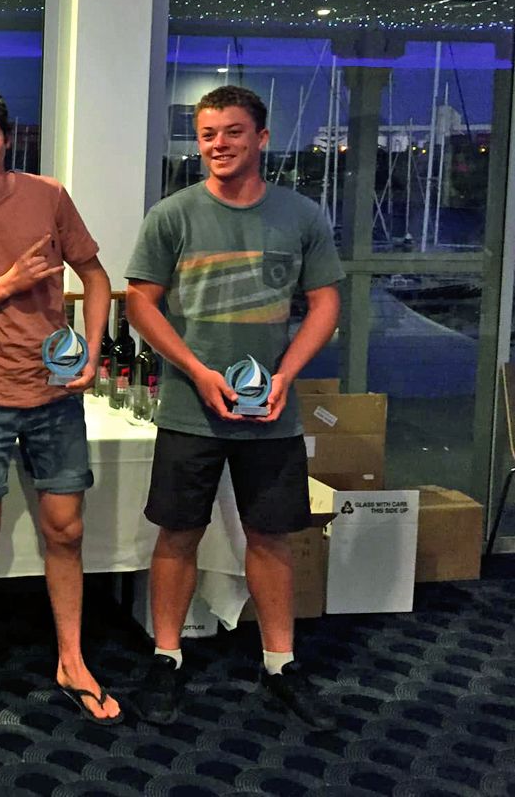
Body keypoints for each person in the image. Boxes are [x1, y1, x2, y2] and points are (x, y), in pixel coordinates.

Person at [124, 85, 342, 728]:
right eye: (209, 134)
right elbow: (141, 301)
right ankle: (166, 657)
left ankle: (281, 663)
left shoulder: (301, 216)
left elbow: (325, 303)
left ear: (262, 139)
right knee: (178, 532)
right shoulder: (174, 215)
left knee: (271, 537)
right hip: (191, 409)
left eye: (233, 132)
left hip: (273, 412)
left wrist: (285, 376)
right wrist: (194, 370)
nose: (219, 145)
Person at [0, 82, 122, 726]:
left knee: (66, 531)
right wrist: (8, 284)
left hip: (53, 397)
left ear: (4, 137)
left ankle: (72, 658)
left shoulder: (48, 196)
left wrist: (93, 351)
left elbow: (95, 276)